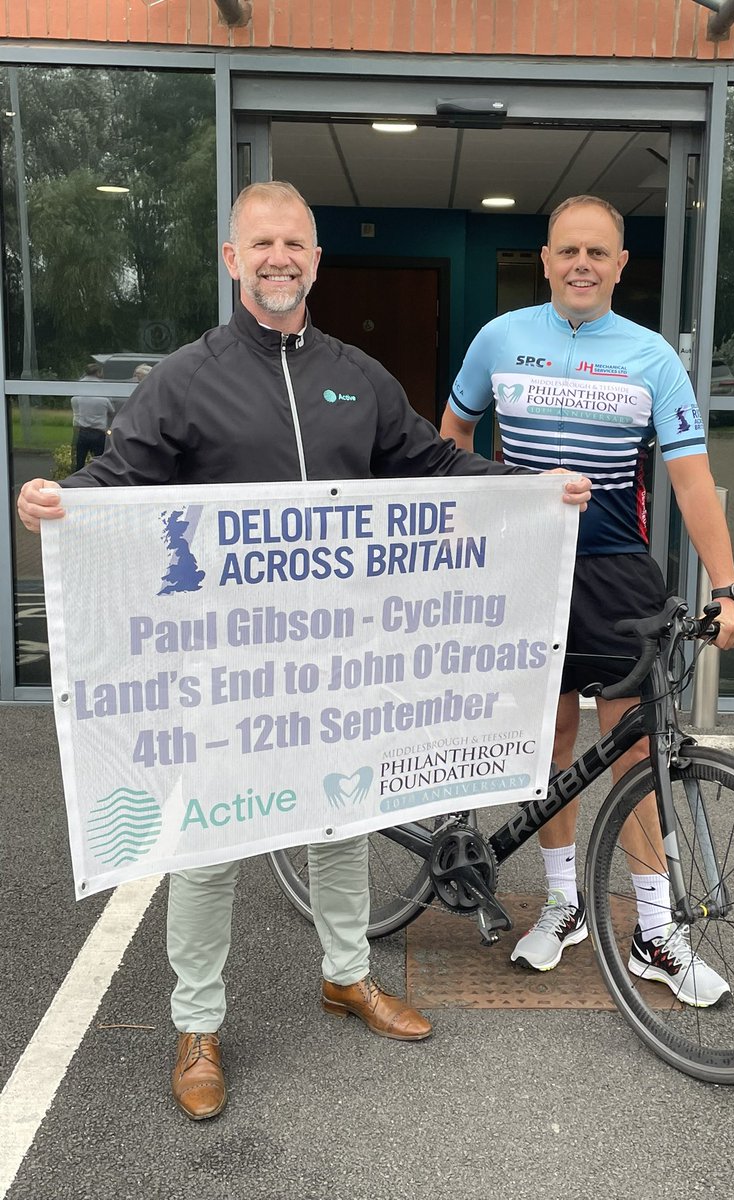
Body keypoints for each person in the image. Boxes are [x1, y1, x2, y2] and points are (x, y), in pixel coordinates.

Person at [18, 181, 590, 1122]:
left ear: (315, 262)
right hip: (220, 669)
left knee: (340, 817)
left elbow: (435, 466)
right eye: (263, 244)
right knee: (204, 846)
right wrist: (57, 503)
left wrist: (531, 491)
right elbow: (117, 485)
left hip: (333, 663)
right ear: (233, 260)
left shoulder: (356, 376)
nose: (280, 258)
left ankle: (346, 975)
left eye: (296, 244)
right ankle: (197, 1026)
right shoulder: (184, 378)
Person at [440, 194, 734, 1004]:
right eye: (567, 251)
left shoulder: (651, 357)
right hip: (525, 564)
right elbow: (451, 440)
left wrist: (728, 588)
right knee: (548, 736)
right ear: (544, 261)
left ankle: (655, 929)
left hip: (617, 570)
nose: (582, 264)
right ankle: (563, 903)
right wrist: (491, 509)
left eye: (598, 253)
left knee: (636, 749)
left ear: (620, 266)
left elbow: (690, 480)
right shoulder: (499, 341)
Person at [71, 362, 114, 471]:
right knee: (99, 464)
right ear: (98, 372)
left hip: (83, 431)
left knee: (79, 462)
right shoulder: (103, 394)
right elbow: (112, 411)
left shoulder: (79, 390)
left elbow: (74, 403)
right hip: (99, 433)